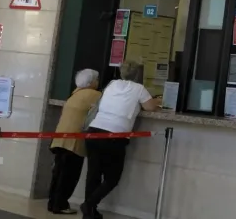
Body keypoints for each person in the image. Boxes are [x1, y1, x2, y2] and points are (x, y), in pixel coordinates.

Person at [81, 62, 160, 219]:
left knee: (93, 174)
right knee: (112, 178)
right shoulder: (139, 89)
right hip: (115, 136)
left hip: (94, 131)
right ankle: (89, 205)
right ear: (138, 75)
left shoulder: (112, 84)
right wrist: (158, 101)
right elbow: (150, 107)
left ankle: (89, 211)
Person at [47, 69, 101, 215]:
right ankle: (60, 205)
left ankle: (53, 203)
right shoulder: (94, 95)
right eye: (96, 79)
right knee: (69, 175)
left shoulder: (75, 93)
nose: (98, 82)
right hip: (74, 142)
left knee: (58, 173)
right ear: (91, 82)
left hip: (60, 138)